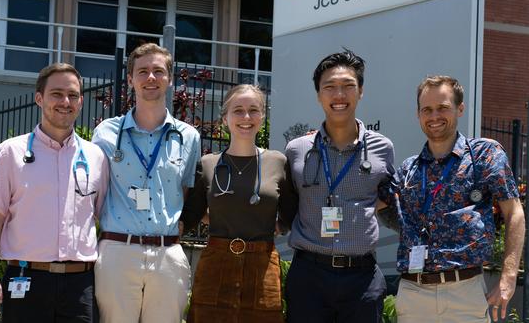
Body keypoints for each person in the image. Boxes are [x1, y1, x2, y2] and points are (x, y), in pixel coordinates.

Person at [381, 75, 525, 322]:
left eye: (442, 108)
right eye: (427, 109)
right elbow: (372, 202)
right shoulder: (407, 170)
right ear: (418, 115)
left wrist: (508, 277)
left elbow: (514, 213)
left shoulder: (484, 155)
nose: (434, 116)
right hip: (413, 294)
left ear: (460, 108)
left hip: (465, 292)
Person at [0, 63, 109, 322]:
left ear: (81, 101)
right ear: (39, 98)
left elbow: (105, 217)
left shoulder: (96, 157)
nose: (65, 101)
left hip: (80, 285)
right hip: (25, 280)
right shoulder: (10, 153)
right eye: (57, 94)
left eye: (73, 95)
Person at [91, 43, 200, 322]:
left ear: (170, 78)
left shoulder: (188, 137)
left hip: (167, 254)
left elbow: (186, 191)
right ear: (130, 79)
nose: (150, 77)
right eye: (142, 71)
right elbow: (94, 192)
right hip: (117, 251)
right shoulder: (106, 133)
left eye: (158, 71)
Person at [284, 49, 395, 323]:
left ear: (361, 91)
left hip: (362, 277)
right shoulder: (297, 150)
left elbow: (386, 196)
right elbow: (288, 201)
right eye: (330, 87)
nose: (339, 96)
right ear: (318, 94)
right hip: (308, 275)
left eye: (348, 86)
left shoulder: (382, 148)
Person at [182, 84, 298, 322]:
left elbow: (290, 211)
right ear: (224, 118)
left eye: (253, 110)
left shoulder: (277, 162)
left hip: (262, 265)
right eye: (238, 110)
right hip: (216, 262)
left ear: (262, 116)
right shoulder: (208, 164)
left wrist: (277, 225)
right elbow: (192, 214)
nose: (246, 117)